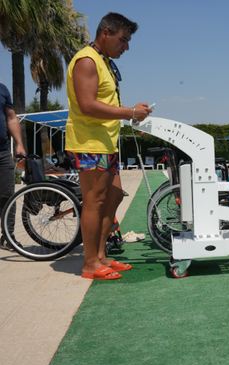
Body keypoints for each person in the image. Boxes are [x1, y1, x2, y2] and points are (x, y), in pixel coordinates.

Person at [65, 13, 152, 280]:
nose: (126, 47)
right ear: (105, 33)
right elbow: (87, 105)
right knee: (95, 200)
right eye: (122, 40)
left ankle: (101, 255)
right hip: (89, 142)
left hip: (106, 144)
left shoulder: (104, 62)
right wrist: (129, 112)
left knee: (113, 197)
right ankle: (90, 263)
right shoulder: (87, 61)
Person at [0, 81, 26, 250]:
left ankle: (7, 237)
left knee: (8, 196)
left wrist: (19, 144)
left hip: (2, 152)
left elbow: (11, 117)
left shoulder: (2, 89)